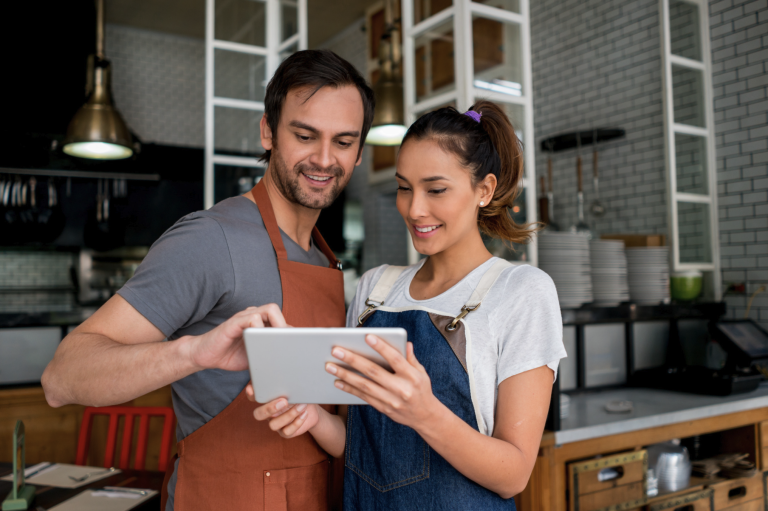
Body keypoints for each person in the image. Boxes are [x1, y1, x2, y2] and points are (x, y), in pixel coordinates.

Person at [41, 49, 374, 511]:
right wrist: (193, 352)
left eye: (343, 141)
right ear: (268, 132)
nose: (323, 158)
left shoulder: (325, 258)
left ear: (359, 153)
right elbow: (62, 377)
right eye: (304, 134)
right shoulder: (211, 239)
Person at [254, 101, 566, 509]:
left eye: (436, 190)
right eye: (404, 188)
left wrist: (424, 412)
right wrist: (312, 416)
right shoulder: (374, 289)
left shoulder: (521, 291)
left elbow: (514, 475)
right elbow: (360, 447)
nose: (415, 209)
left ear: (484, 190)